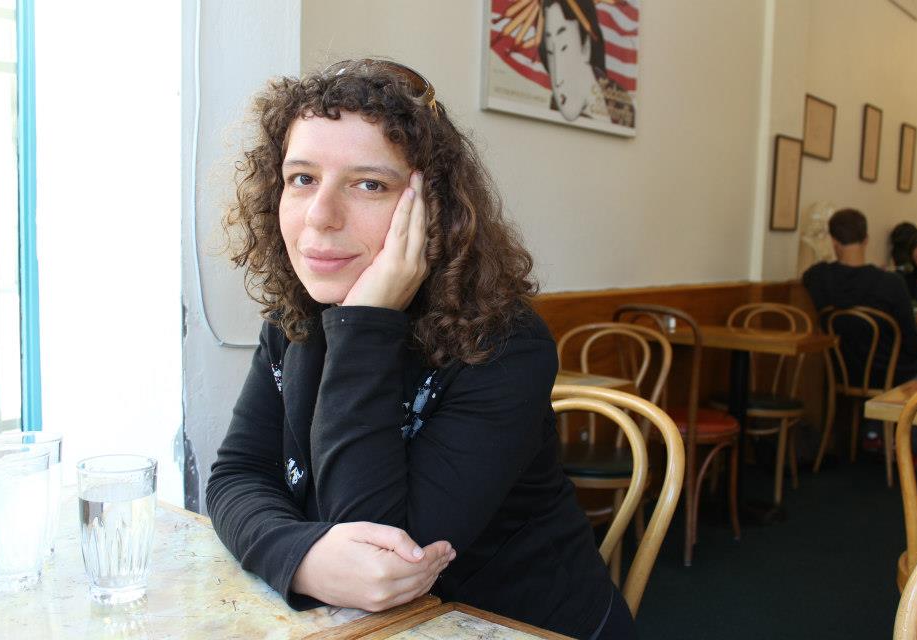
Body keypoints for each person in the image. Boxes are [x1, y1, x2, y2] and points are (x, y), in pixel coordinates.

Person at [206, 59, 635, 639]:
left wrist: (364, 324)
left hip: (520, 626)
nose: (320, 216)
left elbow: (385, 556)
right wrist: (301, 557)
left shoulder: (507, 344)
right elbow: (237, 476)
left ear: (434, 208)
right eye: (302, 178)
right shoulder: (293, 318)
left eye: (369, 184)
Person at [803, 209, 917, 455]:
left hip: (842, 369)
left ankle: (875, 432)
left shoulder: (818, 278)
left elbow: (810, 271)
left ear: (833, 241)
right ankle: (903, 442)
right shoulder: (890, 283)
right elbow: (912, 343)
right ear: (866, 239)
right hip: (892, 371)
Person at [537, 0, 634, 127]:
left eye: (564, 47)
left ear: (586, 46)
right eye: (550, 51)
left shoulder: (622, 107)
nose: (557, 80)